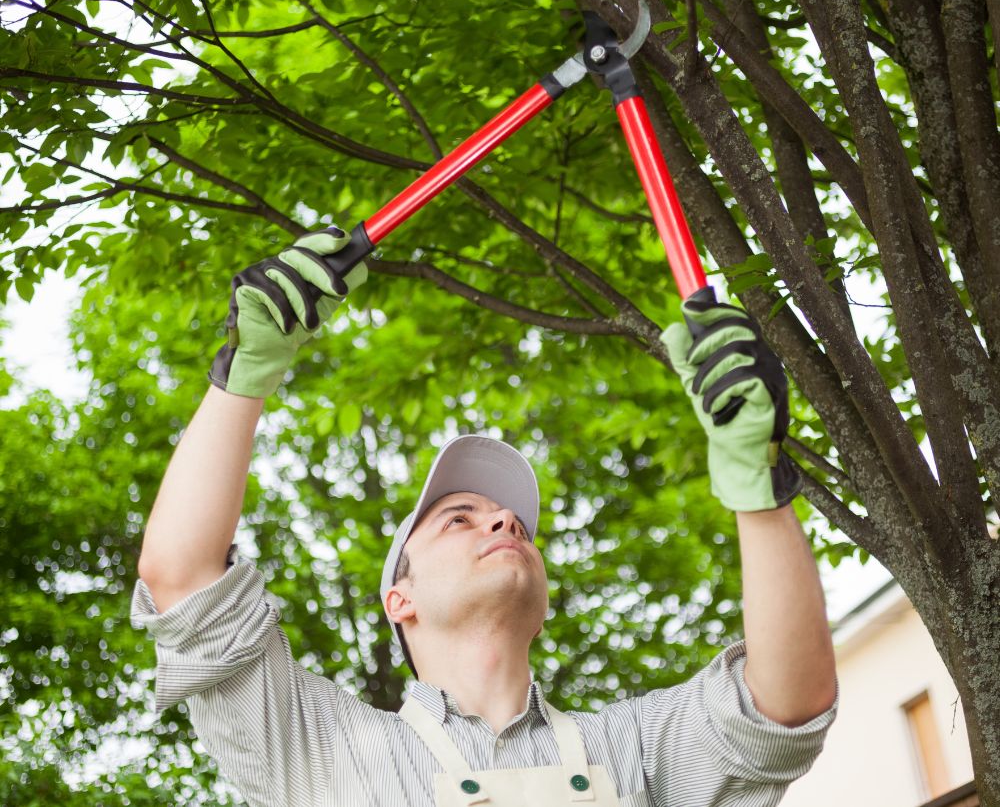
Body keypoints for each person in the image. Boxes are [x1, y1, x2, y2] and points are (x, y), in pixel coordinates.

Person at [132, 229, 838, 807]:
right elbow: (183, 579)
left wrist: (758, 485)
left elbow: (787, 705)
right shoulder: (323, 750)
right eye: (460, 519)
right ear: (397, 599)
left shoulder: (635, 748)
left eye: (516, 526)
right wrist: (246, 373)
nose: (503, 524)